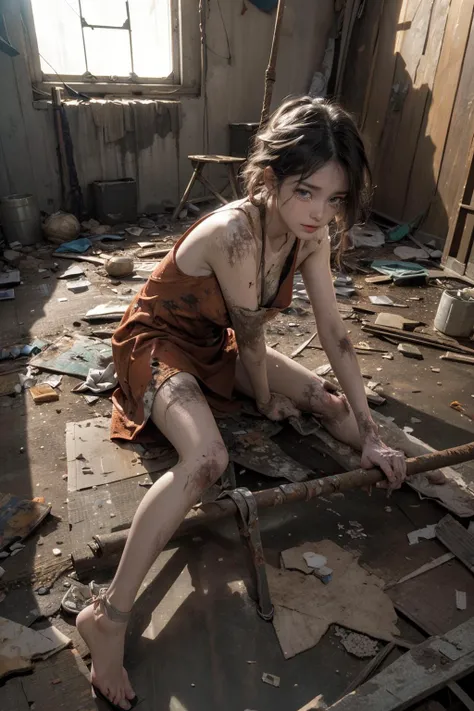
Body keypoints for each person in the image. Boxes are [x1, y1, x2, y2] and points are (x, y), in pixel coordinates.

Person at [77, 96, 407, 709]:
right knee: (206, 459)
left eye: (334, 199)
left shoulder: (310, 238)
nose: (319, 213)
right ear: (270, 176)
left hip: (216, 342)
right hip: (160, 344)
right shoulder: (235, 233)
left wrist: (369, 432)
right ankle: (109, 619)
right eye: (306, 192)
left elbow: (335, 334)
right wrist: (264, 402)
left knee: (328, 401)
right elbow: (253, 351)